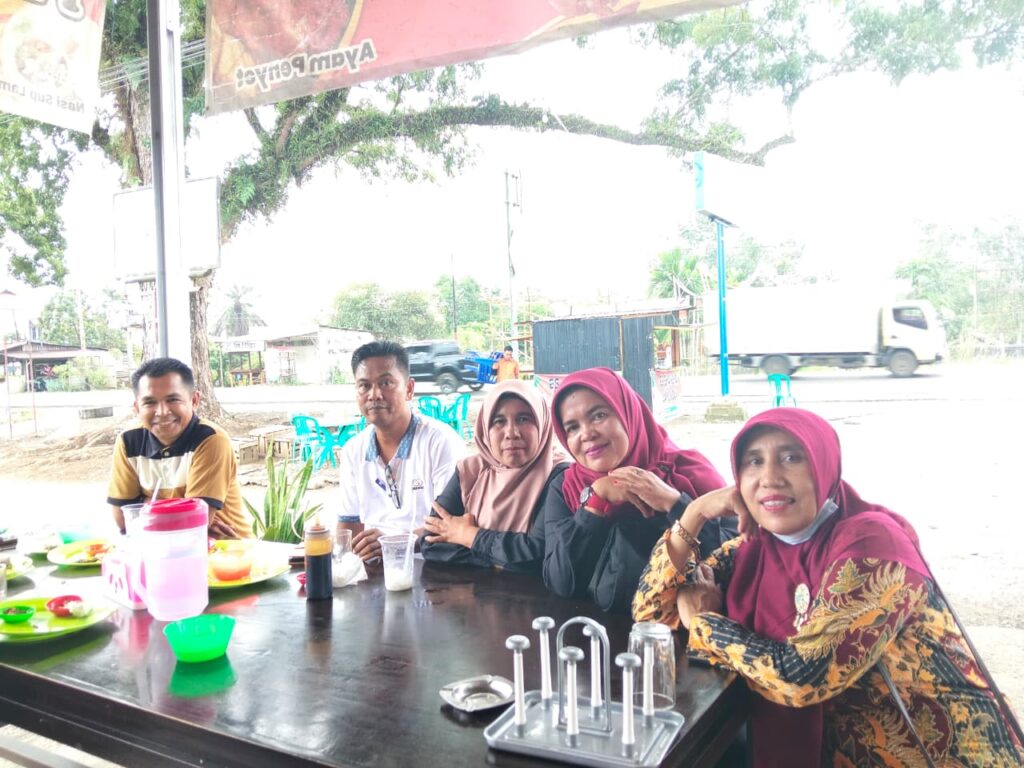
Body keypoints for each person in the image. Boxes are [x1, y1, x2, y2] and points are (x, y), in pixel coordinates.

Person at [633, 408, 1024, 768]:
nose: (770, 477)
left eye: (791, 457)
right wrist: (695, 512)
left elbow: (804, 677)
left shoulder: (873, 546)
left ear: (823, 466)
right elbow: (652, 616)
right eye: (754, 461)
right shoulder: (755, 548)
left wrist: (705, 622)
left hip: (940, 754)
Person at [543, 367, 731, 613]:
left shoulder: (689, 472)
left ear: (628, 413)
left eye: (599, 415)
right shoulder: (567, 487)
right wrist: (596, 501)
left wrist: (674, 503)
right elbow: (561, 582)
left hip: (683, 629)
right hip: (593, 630)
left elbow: (736, 562)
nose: (586, 434)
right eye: (572, 427)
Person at [337, 341, 465, 561]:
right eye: (364, 385)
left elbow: (450, 525)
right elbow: (348, 525)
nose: (374, 395)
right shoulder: (353, 450)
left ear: (409, 389)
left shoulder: (440, 442)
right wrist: (345, 562)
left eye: (386, 383)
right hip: (374, 568)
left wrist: (394, 543)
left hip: (430, 566)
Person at [421, 379, 567, 572]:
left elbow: (539, 554)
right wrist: (499, 560)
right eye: (499, 421)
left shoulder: (560, 477)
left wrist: (468, 536)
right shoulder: (470, 471)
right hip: (469, 590)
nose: (512, 433)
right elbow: (430, 543)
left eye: (523, 419)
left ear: (542, 423)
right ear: (485, 429)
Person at [108, 357, 250, 539]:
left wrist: (144, 506)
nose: (162, 412)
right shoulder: (128, 441)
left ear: (194, 400)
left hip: (228, 548)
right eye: (149, 402)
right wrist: (182, 512)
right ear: (137, 408)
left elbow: (194, 522)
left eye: (173, 399)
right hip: (159, 548)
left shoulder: (211, 439)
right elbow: (122, 518)